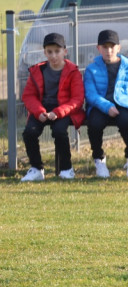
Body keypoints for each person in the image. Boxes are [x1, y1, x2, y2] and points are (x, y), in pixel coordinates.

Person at [82, 29, 128, 179]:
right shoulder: (91, 70)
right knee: (94, 124)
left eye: (112, 46)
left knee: (126, 120)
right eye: (105, 47)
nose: (109, 50)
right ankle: (99, 158)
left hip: (123, 104)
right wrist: (107, 107)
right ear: (98, 48)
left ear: (119, 48)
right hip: (100, 106)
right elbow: (90, 95)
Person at [20, 32, 86, 181]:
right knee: (29, 133)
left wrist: (58, 112)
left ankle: (66, 168)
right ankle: (37, 168)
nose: (54, 56)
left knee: (59, 131)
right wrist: (39, 112)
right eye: (50, 52)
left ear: (65, 51)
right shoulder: (37, 70)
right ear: (45, 52)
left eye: (57, 51)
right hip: (42, 110)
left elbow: (77, 99)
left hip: (63, 110)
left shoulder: (73, 71)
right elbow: (28, 96)